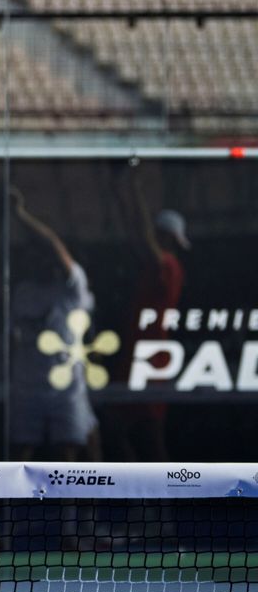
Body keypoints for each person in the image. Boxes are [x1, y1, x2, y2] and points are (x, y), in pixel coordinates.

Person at [9, 186, 100, 462]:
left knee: (68, 454)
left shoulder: (73, 288)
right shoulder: (23, 293)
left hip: (66, 391)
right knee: (20, 456)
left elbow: (53, 245)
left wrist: (20, 215)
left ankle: (75, 506)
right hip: (27, 392)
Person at [107, 172, 187, 461]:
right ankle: (142, 494)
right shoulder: (153, 268)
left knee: (152, 436)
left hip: (151, 360)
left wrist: (135, 184)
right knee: (117, 430)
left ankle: (162, 502)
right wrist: (119, 193)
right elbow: (134, 230)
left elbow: (141, 232)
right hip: (134, 359)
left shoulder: (169, 266)